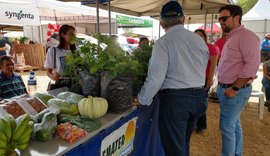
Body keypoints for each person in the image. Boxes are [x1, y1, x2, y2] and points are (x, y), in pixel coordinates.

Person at [137, 1, 209, 155]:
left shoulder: (163, 43)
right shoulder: (199, 41)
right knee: (183, 143)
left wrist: (142, 99)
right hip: (198, 97)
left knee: (175, 150)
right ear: (183, 19)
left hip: (176, 101)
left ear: (162, 23)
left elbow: (156, 78)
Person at [217, 5, 260, 156]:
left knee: (227, 127)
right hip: (227, 89)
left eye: (224, 18)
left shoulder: (246, 36)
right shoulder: (232, 36)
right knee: (234, 125)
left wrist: (234, 88)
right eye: (219, 19)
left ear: (236, 18)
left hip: (235, 90)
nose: (221, 22)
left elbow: (252, 65)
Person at [194, 29, 219, 133]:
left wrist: (210, 79)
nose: (198, 37)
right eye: (196, 36)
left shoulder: (211, 48)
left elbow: (214, 65)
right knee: (194, 102)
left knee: (201, 102)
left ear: (204, 37)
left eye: (200, 35)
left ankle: (202, 125)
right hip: (193, 79)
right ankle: (195, 124)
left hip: (204, 78)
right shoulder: (192, 48)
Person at [44, 24, 76, 89]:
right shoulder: (53, 50)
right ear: (62, 35)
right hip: (60, 84)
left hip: (75, 83)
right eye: (71, 34)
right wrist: (53, 76)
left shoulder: (76, 51)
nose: (74, 37)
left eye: (74, 35)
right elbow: (48, 71)